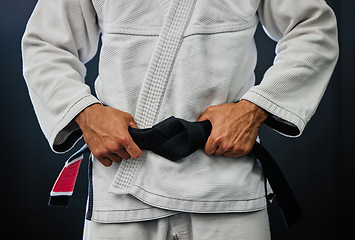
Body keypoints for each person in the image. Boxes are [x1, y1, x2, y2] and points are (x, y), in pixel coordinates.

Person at [22, 0, 338, 239]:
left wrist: (254, 109)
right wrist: (86, 114)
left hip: (226, 189)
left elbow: (314, 28)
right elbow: (45, 44)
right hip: (123, 186)